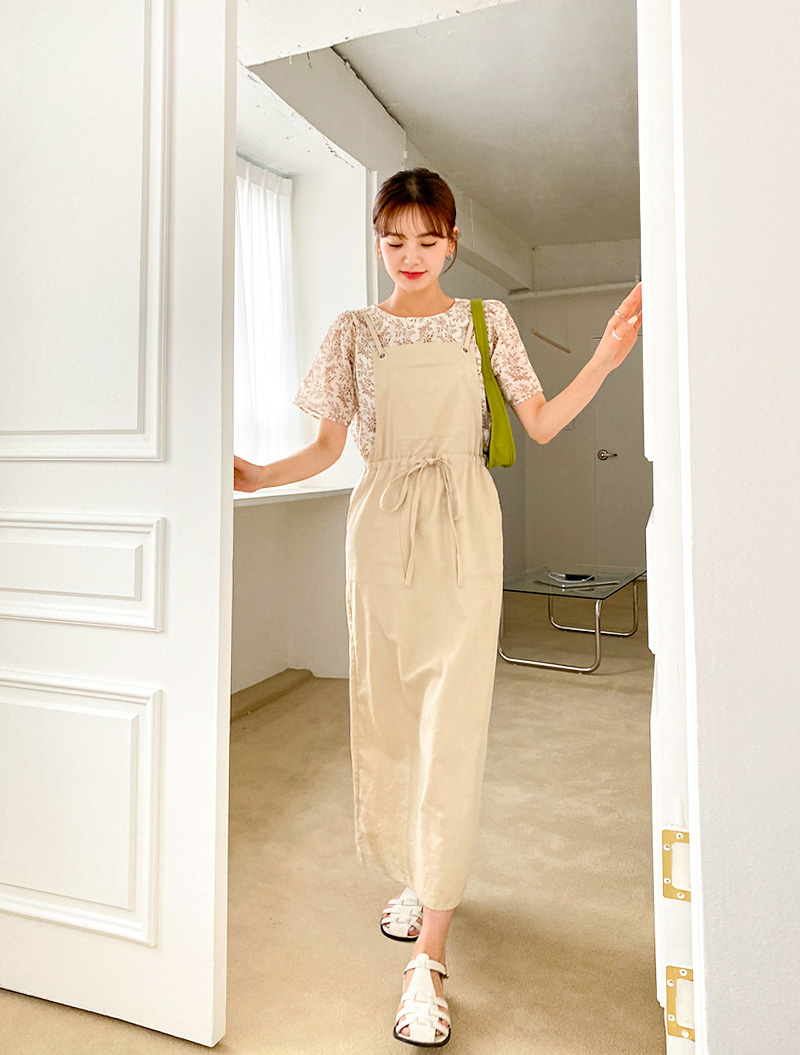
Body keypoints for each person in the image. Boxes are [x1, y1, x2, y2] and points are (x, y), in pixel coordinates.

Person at [233, 167, 643, 1047]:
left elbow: (538, 423)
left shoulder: (486, 321)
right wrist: (258, 474)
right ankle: (418, 873)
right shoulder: (352, 331)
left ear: (453, 242)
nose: (411, 255)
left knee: (452, 724)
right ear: (378, 242)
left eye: (428, 239)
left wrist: (605, 358)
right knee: (389, 713)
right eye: (395, 240)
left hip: (462, 526)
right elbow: (326, 450)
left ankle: (429, 958)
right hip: (379, 528)